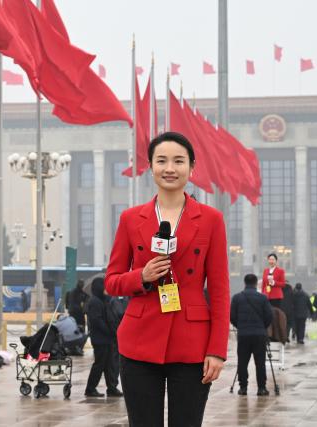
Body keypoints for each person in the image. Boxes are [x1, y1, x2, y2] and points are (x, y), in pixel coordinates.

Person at [105, 132, 229, 426]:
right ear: (150, 166)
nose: (170, 168)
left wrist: (217, 351)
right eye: (162, 161)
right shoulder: (131, 218)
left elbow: (221, 290)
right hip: (139, 342)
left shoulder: (211, 219)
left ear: (192, 167)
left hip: (192, 344)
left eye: (178, 161)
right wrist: (142, 277)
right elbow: (112, 281)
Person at [230, 274, 273, 396]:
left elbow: (232, 316)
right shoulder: (263, 298)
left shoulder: (237, 298)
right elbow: (269, 316)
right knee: (260, 362)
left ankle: (243, 388)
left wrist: (241, 326)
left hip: (243, 334)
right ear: (255, 283)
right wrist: (262, 327)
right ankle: (261, 388)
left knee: (242, 362)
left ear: (245, 282)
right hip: (259, 335)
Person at [84, 278, 123, 397]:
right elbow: (97, 320)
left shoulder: (101, 300)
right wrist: (109, 331)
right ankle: (90, 389)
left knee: (109, 365)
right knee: (99, 364)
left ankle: (111, 388)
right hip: (101, 339)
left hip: (106, 338)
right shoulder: (94, 302)